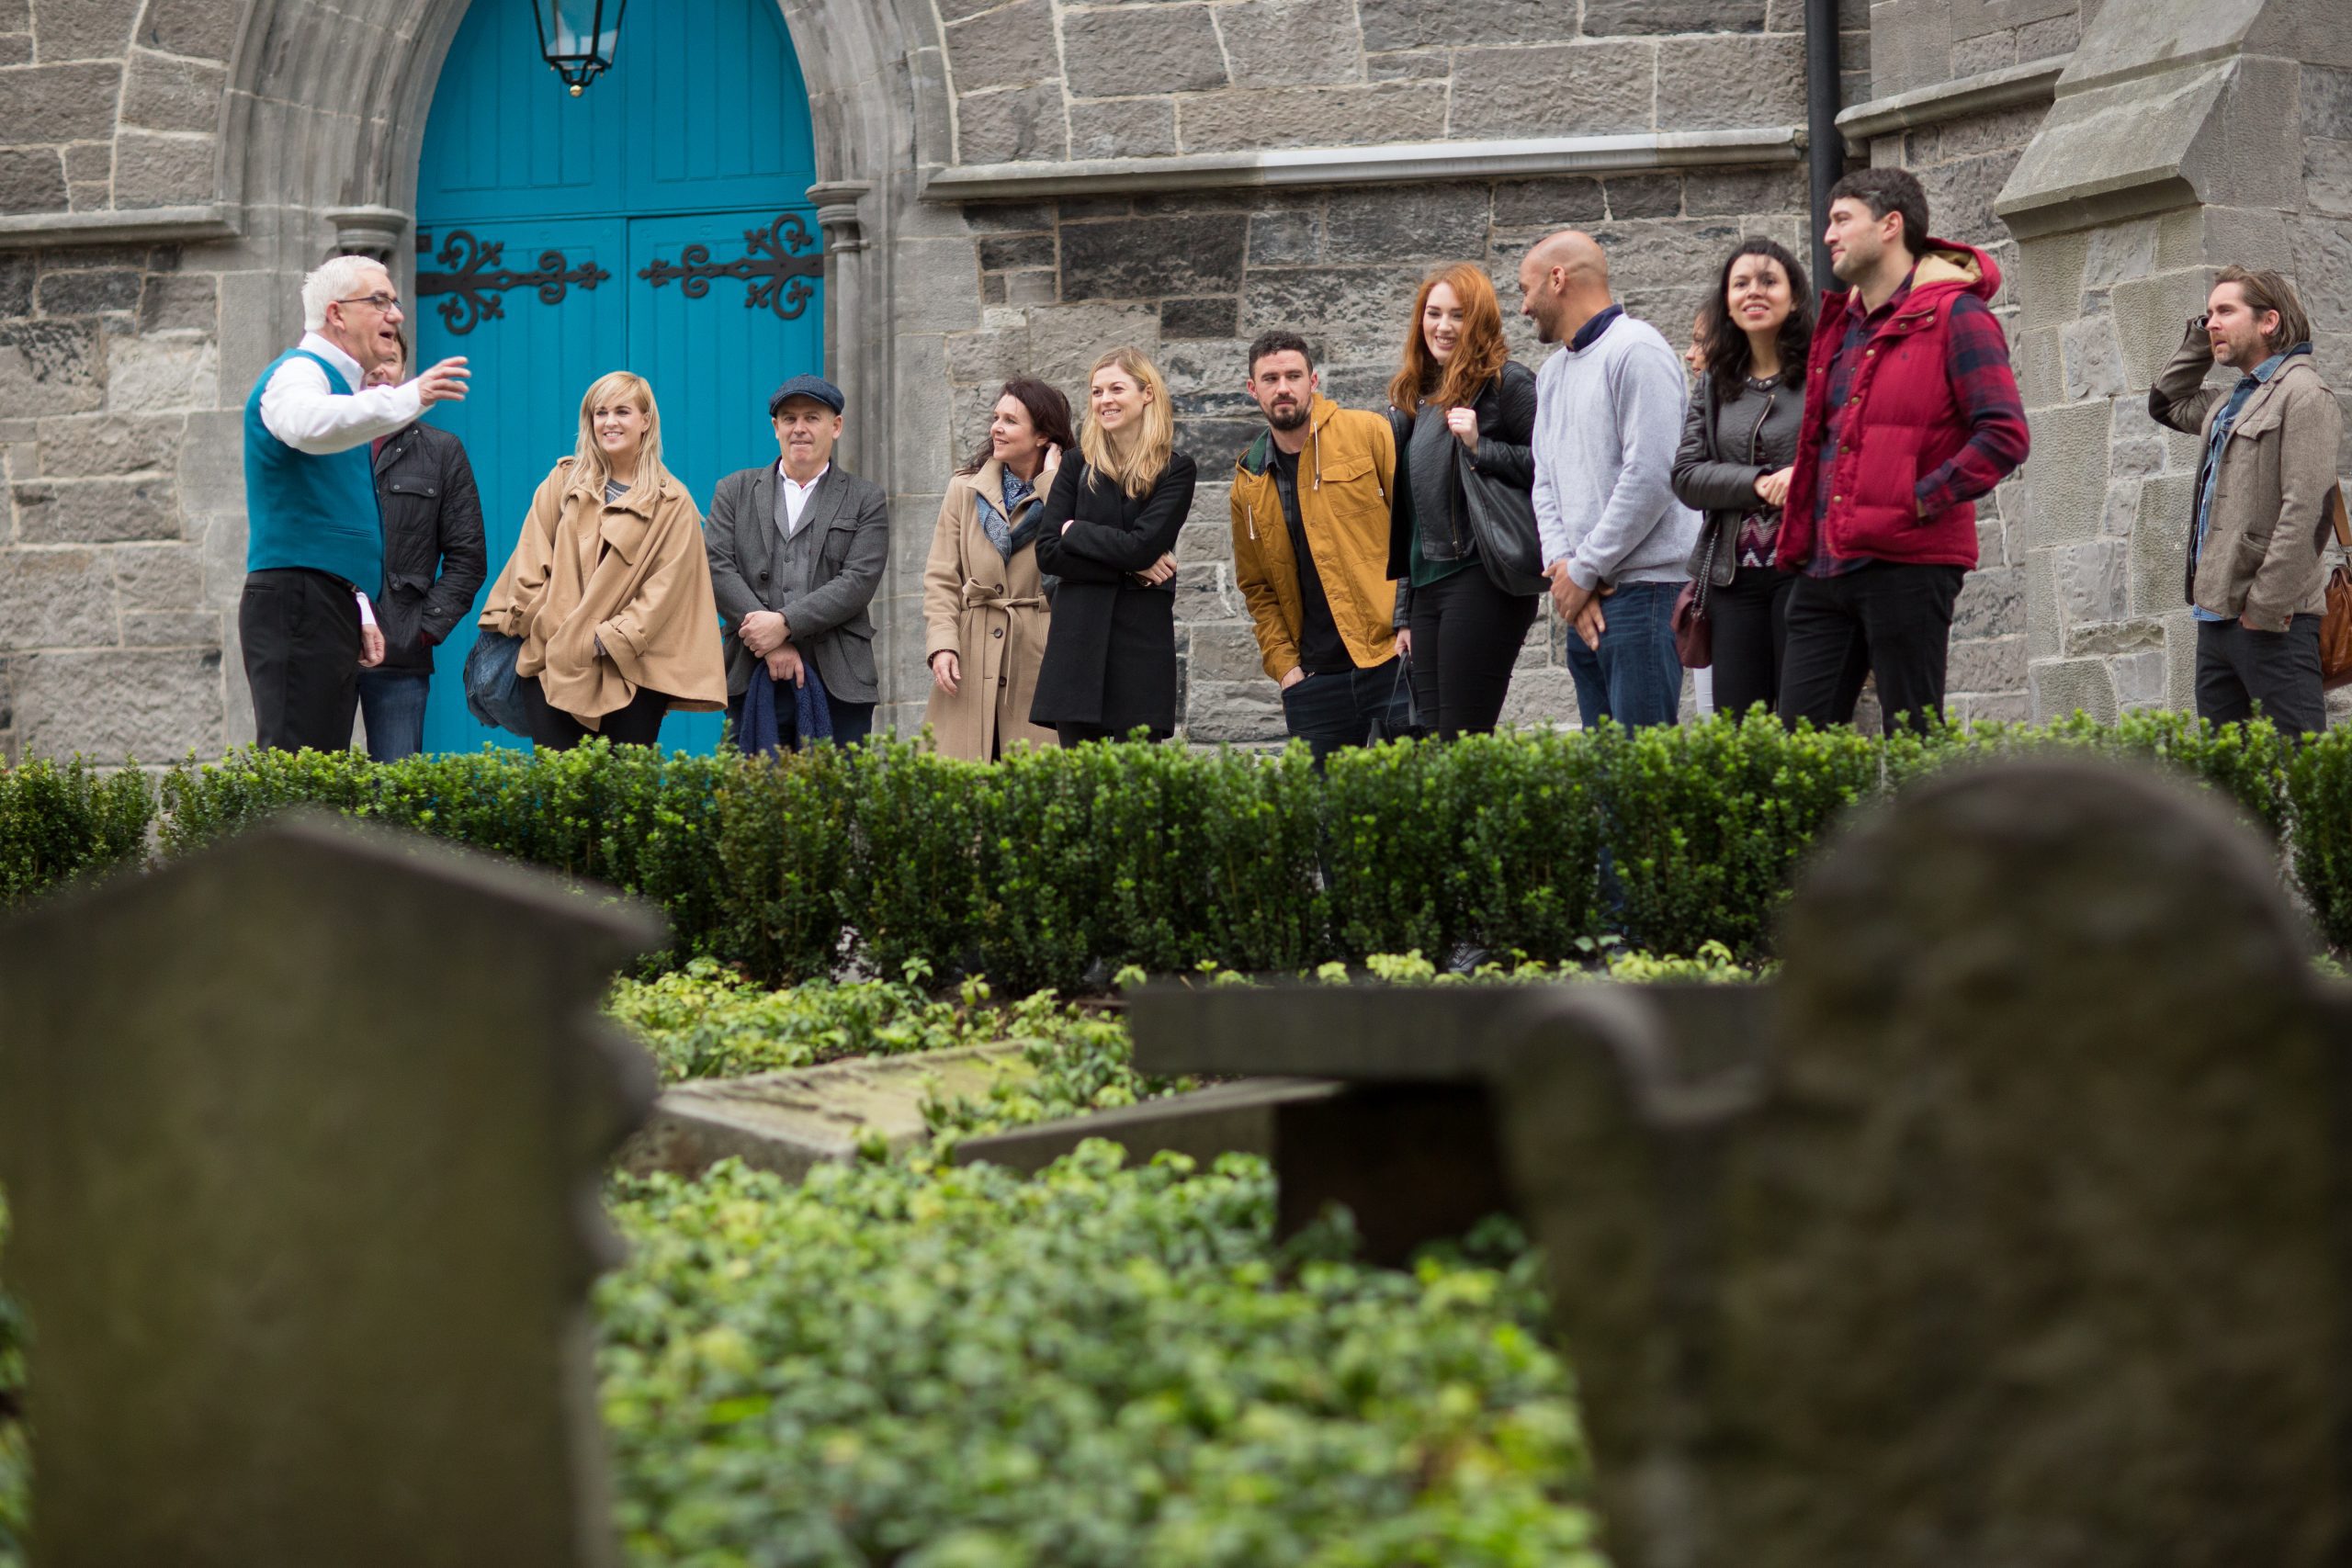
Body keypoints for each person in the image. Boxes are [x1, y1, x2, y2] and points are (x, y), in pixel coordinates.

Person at [1776, 167, 2029, 734]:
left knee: (1914, 740)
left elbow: (2004, 435)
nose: (1828, 237)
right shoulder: (1840, 326)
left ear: (1891, 225)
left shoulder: (1958, 315)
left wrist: (1916, 500)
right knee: (1797, 747)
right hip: (1823, 564)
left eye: (1842, 220)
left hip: (1908, 565)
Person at [242, 254, 469, 751]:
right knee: (298, 778)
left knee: (318, 774)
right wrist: (406, 398)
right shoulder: (300, 372)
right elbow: (303, 424)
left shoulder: (339, 386)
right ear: (337, 313)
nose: (397, 314)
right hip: (298, 602)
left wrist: (359, 609)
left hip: (324, 604)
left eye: (395, 301)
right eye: (380, 300)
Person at [478, 371, 726, 749]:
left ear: (646, 421)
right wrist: (550, 630)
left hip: (630, 673)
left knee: (623, 799)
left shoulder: (672, 503)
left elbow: (665, 590)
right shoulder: (562, 483)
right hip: (550, 665)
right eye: (600, 412)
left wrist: (602, 641)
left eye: (623, 411)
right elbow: (529, 563)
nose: (609, 422)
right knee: (563, 798)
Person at [1519, 231, 1701, 732]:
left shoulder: (1637, 350)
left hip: (1644, 596)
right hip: (1588, 601)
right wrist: (1565, 570)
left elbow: (1651, 477)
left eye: (1525, 289)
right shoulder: (1553, 373)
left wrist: (1584, 570)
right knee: (1605, 780)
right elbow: (1545, 481)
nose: (1523, 307)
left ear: (1558, 279)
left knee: (1640, 781)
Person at [2149, 267, 2342, 737]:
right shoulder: (2229, 401)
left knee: (2297, 774)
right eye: (2209, 312)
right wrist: (2200, 335)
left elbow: (2309, 511)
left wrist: (2264, 608)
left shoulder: (2304, 394)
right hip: (2214, 620)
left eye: (2225, 311)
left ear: (2268, 321)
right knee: (2230, 785)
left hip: (2274, 623)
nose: (2212, 321)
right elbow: (2166, 403)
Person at [1231, 331, 1410, 761]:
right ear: (1254, 390)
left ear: (1313, 380)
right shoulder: (1248, 482)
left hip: (1393, 657)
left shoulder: (1368, 433)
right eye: (1271, 379)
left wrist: (1412, 623)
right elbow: (1257, 587)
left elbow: (1417, 529)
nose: (1283, 388)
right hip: (1314, 677)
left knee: (1418, 804)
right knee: (1324, 821)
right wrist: (1286, 667)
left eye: (1293, 375)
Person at [1384, 264, 1544, 739]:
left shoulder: (1505, 383)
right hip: (1429, 589)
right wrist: (1404, 614)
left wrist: (1481, 447)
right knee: (1435, 744)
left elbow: (1554, 467)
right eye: (1434, 313)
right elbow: (1412, 520)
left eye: (1458, 315)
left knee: (1461, 739)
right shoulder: (1418, 399)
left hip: (1481, 578)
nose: (1443, 326)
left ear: (1480, 321)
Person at [706, 374, 892, 747]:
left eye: (812, 417)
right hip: (752, 668)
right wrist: (771, 642)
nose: (799, 429)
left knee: (837, 797)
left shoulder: (865, 498)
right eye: (789, 419)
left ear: (835, 426)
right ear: (776, 427)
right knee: (752, 795)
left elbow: (858, 582)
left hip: (838, 678)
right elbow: (716, 568)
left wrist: (785, 624)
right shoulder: (734, 491)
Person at [1671, 238, 1815, 719]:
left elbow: (1849, 452)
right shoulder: (1714, 383)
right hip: (1733, 582)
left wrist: (1804, 474)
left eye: (1769, 281)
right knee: (1739, 730)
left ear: (1793, 297)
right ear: (1727, 304)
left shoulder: (1823, 373)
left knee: (1806, 726)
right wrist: (1755, 482)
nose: (1754, 292)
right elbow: (1687, 476)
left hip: (1807, 572)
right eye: (1741, 284)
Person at [1031, 346, 1196, 745]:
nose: (1105, 400)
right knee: (1083, 793)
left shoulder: (1175, 469)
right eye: (1096, 391)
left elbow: (1142, 547)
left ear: (1147, 394)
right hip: (1076, 648)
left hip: (1138, 651)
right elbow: (1048, 553)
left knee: (1136, 795)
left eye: (1116, 389)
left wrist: (1076, 531)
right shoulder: (1075, 464)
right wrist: (1130, 567)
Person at [922, 377, 1075, 759]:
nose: (996, 428)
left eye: (1010, 420)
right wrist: (942, 645)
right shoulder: (964, 488)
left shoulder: (1073, 490)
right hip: (970, 658)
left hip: (1040, 653)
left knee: (1036, 791)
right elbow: (942, 577)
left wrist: (1051, 482)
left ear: (1043, 436)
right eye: (996, 417)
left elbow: (1077, 549)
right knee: (964, 786)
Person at [354, 330, 487, 761]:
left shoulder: (442, 451)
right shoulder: (324, 447)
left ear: (405, 372)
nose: (378, 371)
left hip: (400, 650)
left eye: (389, 361)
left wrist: (423, 629)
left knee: (393, 789)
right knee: (318, 791)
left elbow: (468, 557)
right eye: (366, 361)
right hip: (327, 638)